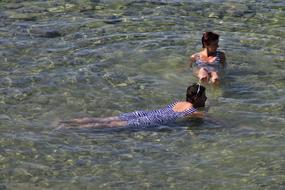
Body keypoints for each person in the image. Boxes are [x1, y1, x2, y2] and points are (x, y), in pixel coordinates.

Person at [58, 83, 207, 128]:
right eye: (204, 96)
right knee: (111, 125)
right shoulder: (192, 110)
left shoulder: (178, 102)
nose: (206, 98)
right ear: (196, 98)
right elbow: (209, 118)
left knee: (105, 119)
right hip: (149, 121)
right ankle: (67, 127)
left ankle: (67, 121)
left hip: (144, 113)